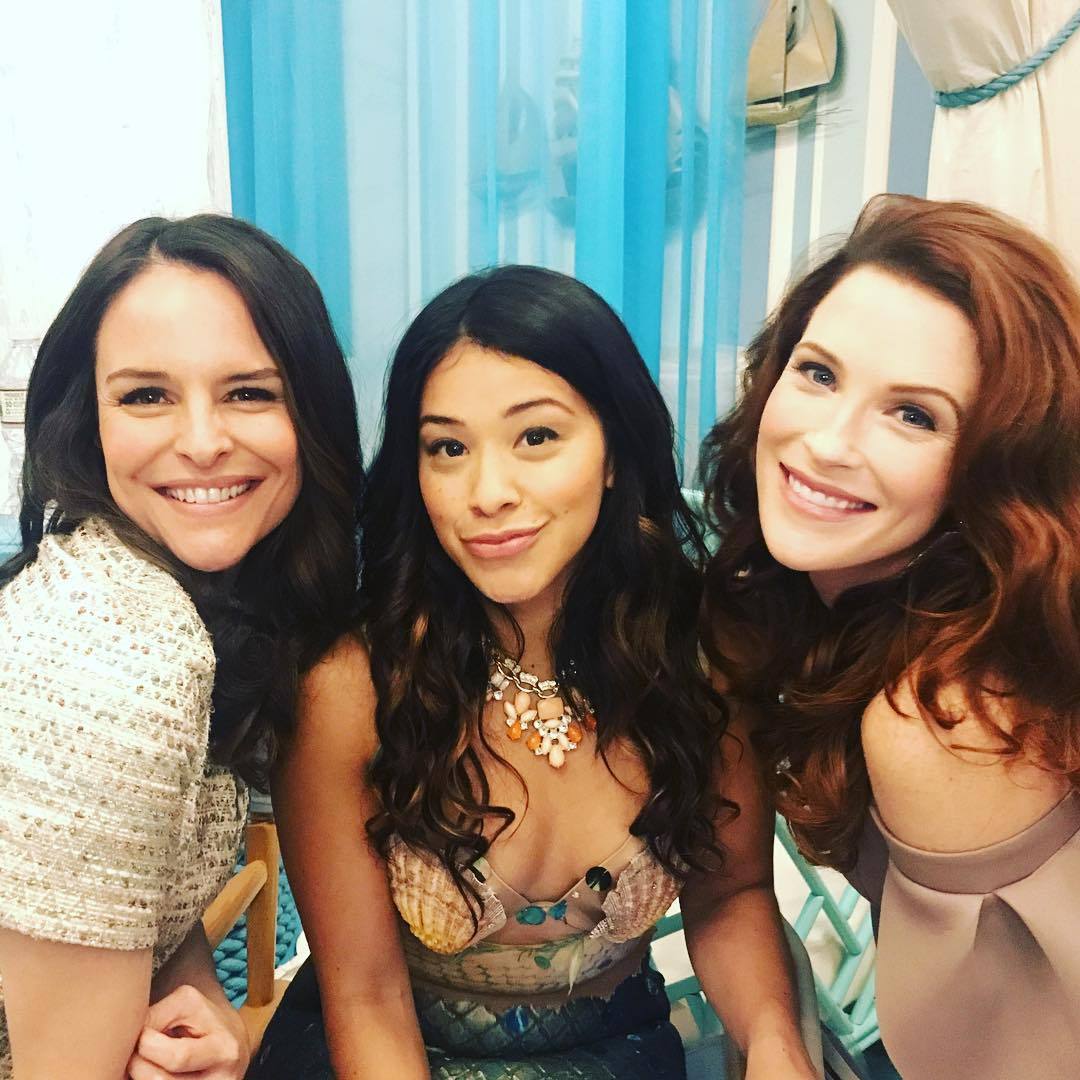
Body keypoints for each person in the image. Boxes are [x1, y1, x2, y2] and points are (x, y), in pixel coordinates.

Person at [250, 265, 817, 1080]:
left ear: (614, 452)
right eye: (448, 448)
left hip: (617, 1054)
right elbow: (366, 991)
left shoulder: (706, 655)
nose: (487, 493)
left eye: (537, 437)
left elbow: (732, 895)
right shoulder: (352, 684)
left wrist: (774, 1044)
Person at [700, 194, 1080, 1080]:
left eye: (914, 415)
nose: (828, 443)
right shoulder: (826, 602)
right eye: (818, 373)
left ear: (997, 466)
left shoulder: (945, 716)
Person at [0, 214, 363, 1079]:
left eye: (249, 393)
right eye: (146, 396)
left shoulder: (175, 591)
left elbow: (126, 892)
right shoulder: (118, 660)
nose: (202, 442)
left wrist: (198, 996)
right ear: (86, 418)